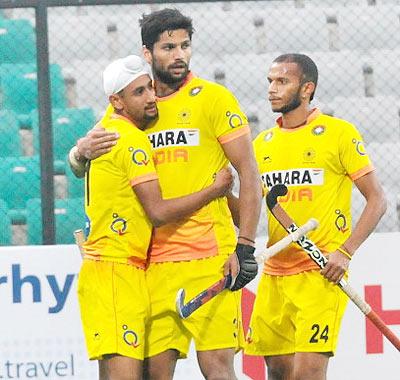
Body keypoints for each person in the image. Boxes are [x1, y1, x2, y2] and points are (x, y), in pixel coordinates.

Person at [69, 9, 262, 380]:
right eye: (168, 47)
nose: (179, 55)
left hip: (210, 258)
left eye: (185, 46)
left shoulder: (213, 99)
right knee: (154, 373)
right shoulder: (139, 105)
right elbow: (88, 158)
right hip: (154, 264)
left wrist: (246, 245)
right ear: (147, 53)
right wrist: (78, 152)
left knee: (217, 367)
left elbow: (248, 174)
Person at [234, 53, 386, 380]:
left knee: (307, 375)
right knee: (277, 374)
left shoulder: (338, 134)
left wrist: (345, 253)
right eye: (270, 81)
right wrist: (218, 191)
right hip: (275, 276)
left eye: (282, 81)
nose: (272, 89)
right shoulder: (262, 144)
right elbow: (248, 209)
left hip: (320, 275)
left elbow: (377, 200)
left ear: (306, 89)